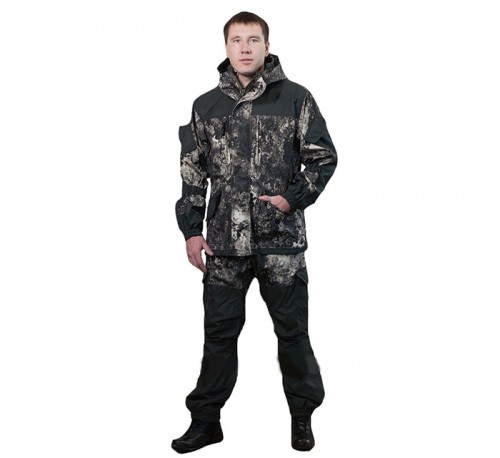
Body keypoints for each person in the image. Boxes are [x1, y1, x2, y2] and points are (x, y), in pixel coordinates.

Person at [172, 11, 338, 454]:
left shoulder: (296, 98)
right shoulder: (205, 106)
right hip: (224, 245)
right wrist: (191, 231)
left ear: (267, 46)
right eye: (236, 40)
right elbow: (192, 173)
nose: (245, 48)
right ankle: (206, 422)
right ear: (226, 47)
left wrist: (291, 198)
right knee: (218, 337)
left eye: (253, 40)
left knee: (293, 334)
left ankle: (302, 418)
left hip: (280, 243)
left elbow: (323, 157)